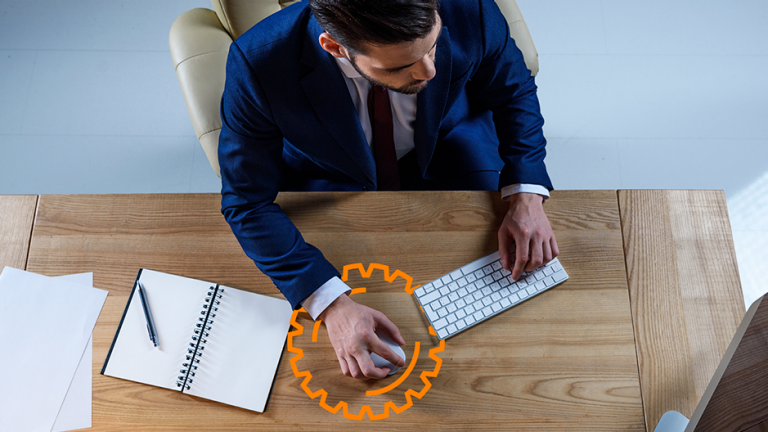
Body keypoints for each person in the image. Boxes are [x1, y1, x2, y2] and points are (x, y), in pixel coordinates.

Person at [218, 0, 558, 380]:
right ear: (334, 46)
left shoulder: (469, 9)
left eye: (432, 46)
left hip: (449, 144)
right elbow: (246, 203)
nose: (429, 70)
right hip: (330, 173)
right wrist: (329, 304)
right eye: (398, 66)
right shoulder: (259, 62)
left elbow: (514, 94)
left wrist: (526, 194)